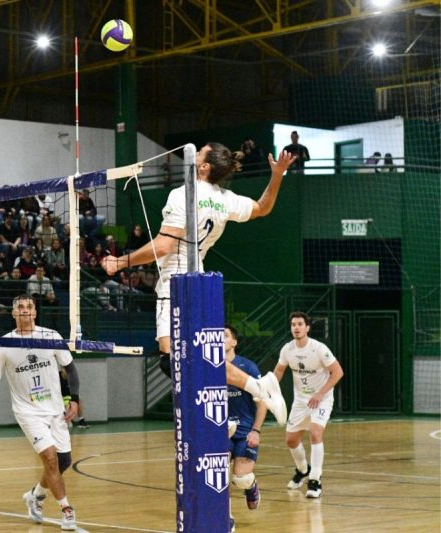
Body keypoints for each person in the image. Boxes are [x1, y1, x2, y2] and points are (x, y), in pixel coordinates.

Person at [101, 143, 296, 425]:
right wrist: (277, 175)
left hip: (175, 284)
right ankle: (231, 407)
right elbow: (263, 208)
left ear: (203, 166)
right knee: (197, 358)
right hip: (200, 282)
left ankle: (255, 388)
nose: (191, 156)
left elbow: (166, 245)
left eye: (200, 152)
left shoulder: (182, 194)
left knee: (174, 362)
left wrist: (120, 263)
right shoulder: (225, 198)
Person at [0, 294, 80, 530]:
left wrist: (75, 400)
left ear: (35, 312)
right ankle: (66, 509)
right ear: (13, 313)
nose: (25, 310)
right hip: (27, 412)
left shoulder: (50, 336)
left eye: (29, 307)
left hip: (54, 409)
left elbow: (70, 368)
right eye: (20, 307)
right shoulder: (4, 343)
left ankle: (35, 495)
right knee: (50, 457)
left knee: (63, 461)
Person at [274, 311, 344, 499]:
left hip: (321, 398)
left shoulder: (319, 348)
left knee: (315, 433)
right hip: (300, 400)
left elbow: (337, 372)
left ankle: (315, 479)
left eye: (300, 324)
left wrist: (320, 393)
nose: (296, 328)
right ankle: (303, 469)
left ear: (307, 327)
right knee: (290, 440)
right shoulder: (287, 349)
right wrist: (271, 390)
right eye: (293, 325)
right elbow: (279, 370)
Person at [225, 325, 266, 531]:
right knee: (219, 477)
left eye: (225, 336)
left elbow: (262, 402)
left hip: (244, 432)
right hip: (221, 432)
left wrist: (256, 431)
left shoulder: (247, 367)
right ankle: (227, 518)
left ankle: (250, 486)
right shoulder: (208, 367)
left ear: (234, 342)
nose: (220, 340)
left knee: (241, 478)